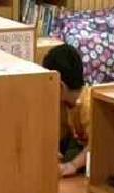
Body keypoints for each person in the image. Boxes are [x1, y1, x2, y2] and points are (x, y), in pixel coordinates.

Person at [43, 43, 90, 178]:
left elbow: (98, 146)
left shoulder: (87, 105)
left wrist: (73, 165)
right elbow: (60, 132)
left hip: (95, 150)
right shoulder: (64, 103)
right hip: (79, 144)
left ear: (60, 87)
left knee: (72, 159)